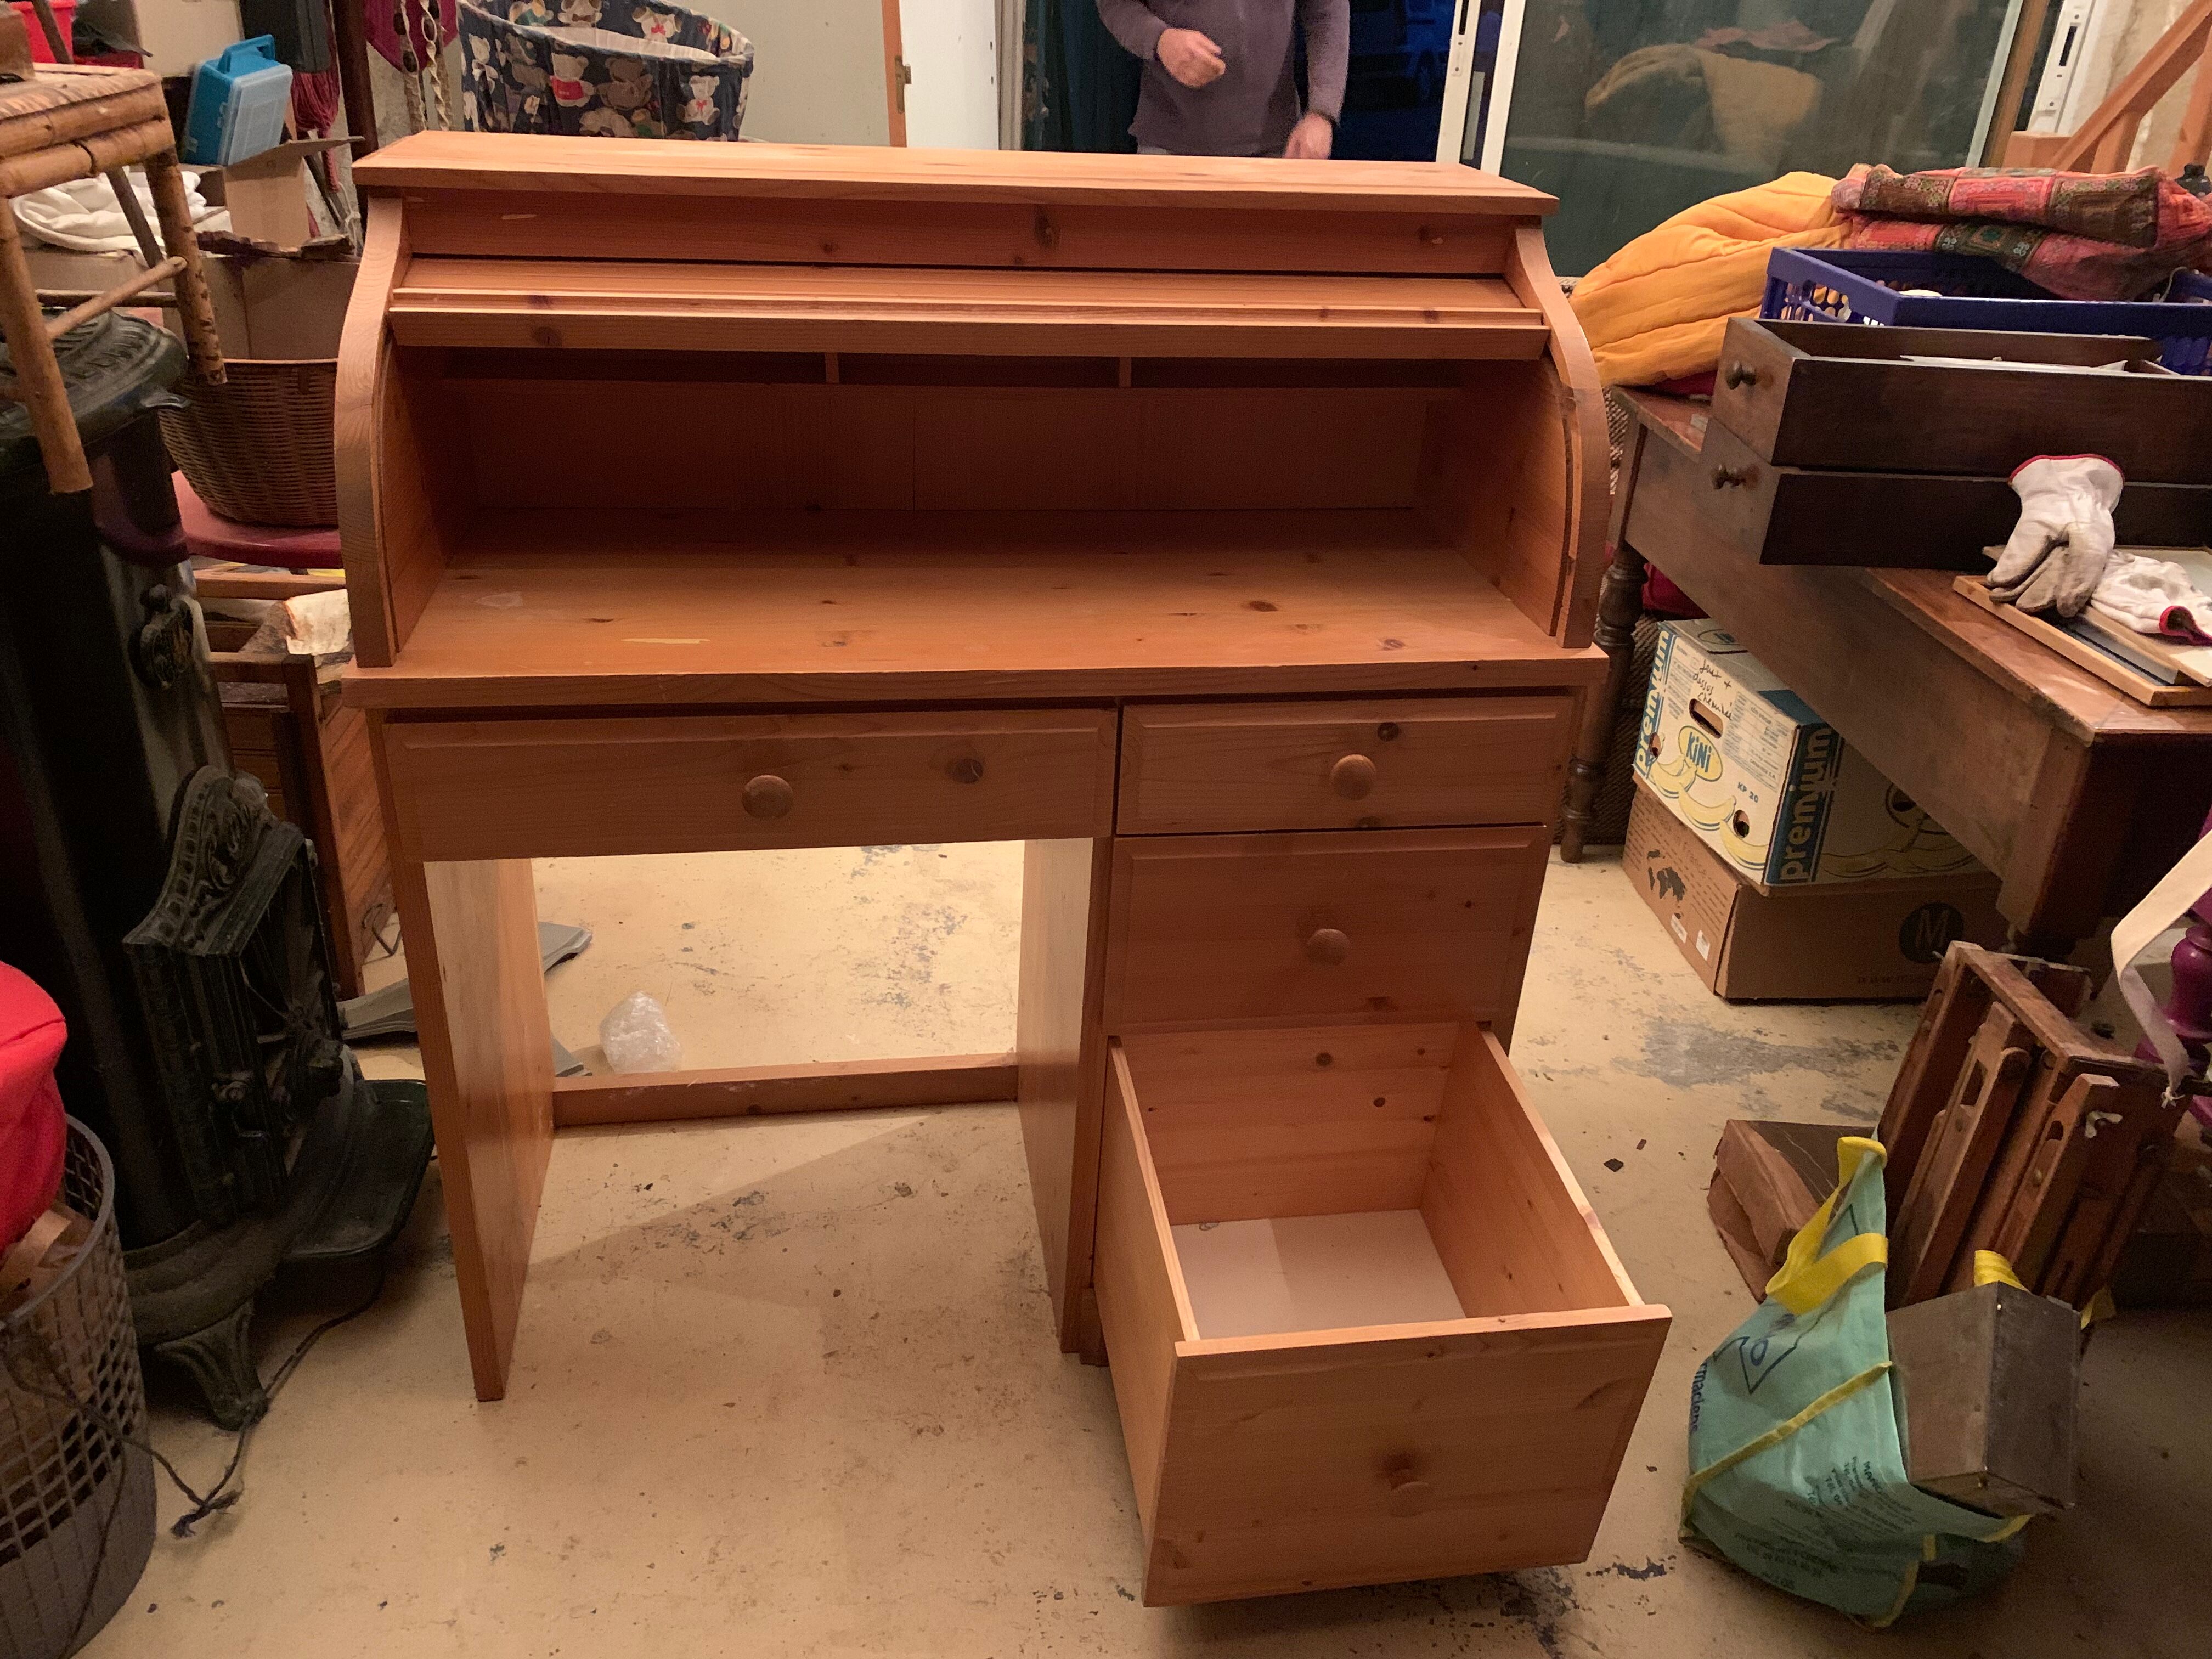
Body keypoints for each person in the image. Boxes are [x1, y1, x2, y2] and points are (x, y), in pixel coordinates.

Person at [1096, 0, 1348, 160]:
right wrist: (1160, 39)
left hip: (1278, 147)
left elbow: (1327, 11)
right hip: (1169, 146)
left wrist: (1321, 113)